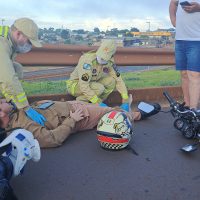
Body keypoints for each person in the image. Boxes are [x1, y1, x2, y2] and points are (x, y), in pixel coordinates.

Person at [0, 97, 160, 148]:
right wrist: (72, 120)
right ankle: (139, 115)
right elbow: (51, 139)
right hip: (77, 115)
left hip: (71, 105)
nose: (5, 100)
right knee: (112, 113)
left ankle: (130, 113)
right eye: (1, 102)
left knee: (106, 109)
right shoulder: (21, 126)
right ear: (1, 114)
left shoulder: (17, 112)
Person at [0, 17, 46, 126]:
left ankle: (9, 101)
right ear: (18, 34)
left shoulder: (7, 40)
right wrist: (25, 107)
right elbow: (9, 79)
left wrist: (11, 100)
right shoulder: (2, 44)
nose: (29, 46)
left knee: (16, 67)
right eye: (29, 41)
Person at [66, 39, 130, 111]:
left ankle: (96, 103)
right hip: (75, 86)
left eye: (105, 58)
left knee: (111, 81)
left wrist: (125, 100)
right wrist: (98, 102)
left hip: (92, 84)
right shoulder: (87, 61)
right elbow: (83, 85)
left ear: (111, 56)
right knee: (99, 88)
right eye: (101, 55)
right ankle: (81, 101)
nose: (102, 59)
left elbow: (119, 80)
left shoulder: (110, 62)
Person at [169, 0, 200, 110]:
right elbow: (173, 3)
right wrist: (173, 20)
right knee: (184, 74)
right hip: (180, 39)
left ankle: (193, 110)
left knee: (194, 75)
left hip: (197, 40)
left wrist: (198, 8)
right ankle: (187, 105)